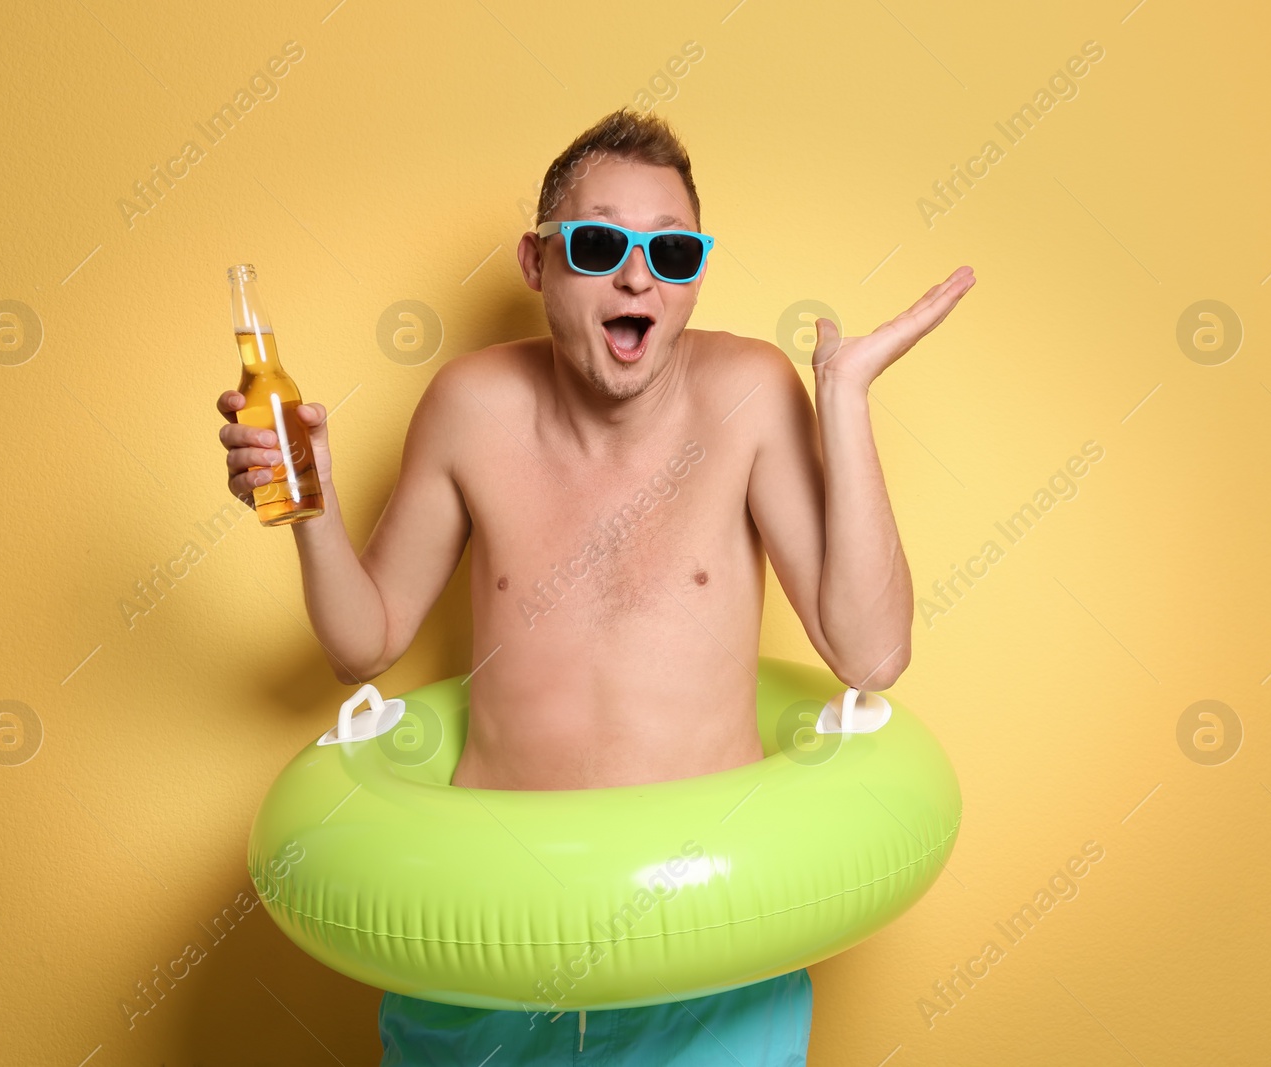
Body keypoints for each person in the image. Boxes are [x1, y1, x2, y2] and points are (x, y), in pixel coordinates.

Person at [217, 106, 974, 1065]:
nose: (637, 276)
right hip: (484, 948)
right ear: (537, 263)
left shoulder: (748, 394)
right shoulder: (470, 405)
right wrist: (311, 501)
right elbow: (360, 643)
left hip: (709, 955)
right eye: (601, 243)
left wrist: (848, 403)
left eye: (674, 252)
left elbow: (872, 654)